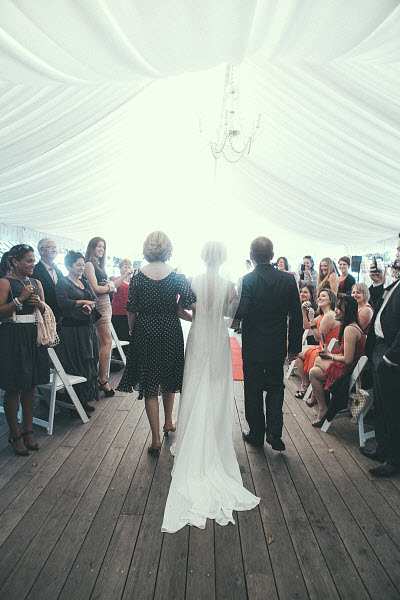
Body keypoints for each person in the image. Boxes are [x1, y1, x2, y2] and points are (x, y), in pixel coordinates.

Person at [161, 242, 260, 533]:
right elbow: (234, 314)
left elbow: (181, 308)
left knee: (193, 382)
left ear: (203, 257)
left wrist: (198, 317)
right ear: (223, 258)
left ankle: (191, 431)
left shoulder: (192, 280)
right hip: (217, 336)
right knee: (217, 384)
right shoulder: (229, 284)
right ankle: (215, 438)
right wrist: (215, 317)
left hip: (199, 333)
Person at [117, 231, 196, 453]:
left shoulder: (138, 276)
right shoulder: (177, 276)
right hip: (171, 329)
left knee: (150, 383)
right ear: (167, 248)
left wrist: (133, 331)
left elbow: (131, 309)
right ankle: (168, 422)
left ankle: (155, 439)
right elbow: (189, 304)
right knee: (170, 377)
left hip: (146, 330)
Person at [235, 236, 303, 451]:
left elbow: (242, 311)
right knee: (276, 388)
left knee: (253, 390)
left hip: (253, 345)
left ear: (251, 256)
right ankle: (274, 433)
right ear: (272, 255)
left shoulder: (248, 280)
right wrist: (294, 347)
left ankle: (256, 434)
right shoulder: (288, 279)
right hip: (276, 345)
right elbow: (296, 315)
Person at [0, 244, 50, 455]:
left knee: (31, 385)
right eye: (28, 260)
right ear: (15, 262)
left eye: (33, 260)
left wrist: (39, 303)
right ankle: (15, 433)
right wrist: (19, 300)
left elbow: (45, 308)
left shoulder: (37, 282)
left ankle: (28, 431)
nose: (32, 264)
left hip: (32, 336)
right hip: (12, 336)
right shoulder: (5, 283)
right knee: (14, 386)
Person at [360, 237, 400, 477]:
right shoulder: (395, 283)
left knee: (394, 408)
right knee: (383, 407)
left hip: (390, 355)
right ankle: (384, 449)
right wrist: (377, 283)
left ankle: (394, 459)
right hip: (380, 350)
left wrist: (390, 357)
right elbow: (381, 308)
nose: (397, 254)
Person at [309, 296, 366, 426]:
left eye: (339, 309)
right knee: (313, 372)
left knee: (317, 361)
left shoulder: (350, 329)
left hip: (349, 375)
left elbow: (347, 359)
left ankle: (316, 399)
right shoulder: (349, 326)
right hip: (349, 370)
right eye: (336, 307)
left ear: (348, 312)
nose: (335, 311)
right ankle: (323, 409)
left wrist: (329, 356)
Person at [56, 251, 99, 414]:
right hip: (71, 330)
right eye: (78, 265)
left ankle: (85, 398)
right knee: (76, 361)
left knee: (89, 360)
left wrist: (90, 306)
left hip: (87, 327)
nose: (82, 267)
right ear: (69, 265)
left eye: (82, 264)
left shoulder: (85, 283)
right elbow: (63, 303)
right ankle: (76, 401)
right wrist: (83, 302)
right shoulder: (63, 283)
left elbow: (94, 299)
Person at [84, 237, 116, 397]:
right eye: (98, 246)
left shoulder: (99, 265)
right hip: (100, 306)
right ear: (92, 247)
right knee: (106, 343)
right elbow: (94, 288)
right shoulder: (89, 264)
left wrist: (109, 287)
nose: (101, 249)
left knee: (102, 344)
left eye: (103, 246)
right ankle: (102, 379)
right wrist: (109, 287)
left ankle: (98, 377)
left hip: (105, 304)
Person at [294, 289, 340, 403]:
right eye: (319, 296)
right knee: (297, 351)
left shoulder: (329, 315)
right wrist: (304, 311)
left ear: (330, 300)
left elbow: (318, 338)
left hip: (328, 351)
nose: (319, 298)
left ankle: (307, 387)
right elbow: (305, 326)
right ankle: (306, 384)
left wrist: (312, 320)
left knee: (298, 351)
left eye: (323, 296)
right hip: (323, 347)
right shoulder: (323, 315)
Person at [32, 238, 64, 321]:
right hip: (43, 315)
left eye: (55, 247)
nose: (54, 250)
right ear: (41, 251)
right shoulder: (34, 271)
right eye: (51, 247)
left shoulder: (59, 271)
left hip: (60, 316)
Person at [111, 258, 133, 350]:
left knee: (129, 337)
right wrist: (125, 275)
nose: (127, 268)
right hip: (118, 312)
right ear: (120, 268)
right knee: (119, 336)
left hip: (130, 313)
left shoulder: (133, 280)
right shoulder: (115, 279)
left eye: (129, 267)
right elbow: (113, 287)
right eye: (125, 267)